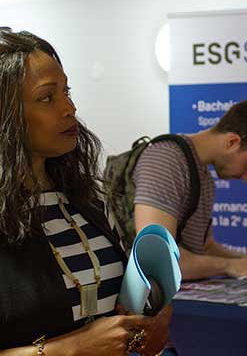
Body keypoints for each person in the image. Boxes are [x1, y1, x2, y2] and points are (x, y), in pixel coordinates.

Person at [0, 28, 171, 355]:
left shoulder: (88, 201)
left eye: (66, 91)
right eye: (47, 98)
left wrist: (149, 324)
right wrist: (73, 347)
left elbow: (123, 320)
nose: (70, 108)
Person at [133, 99, 247, 282]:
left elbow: (203, 248)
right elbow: (157, 259)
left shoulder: (203, 176)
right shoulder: (165, 160)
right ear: (232, 142)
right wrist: (229, 266)